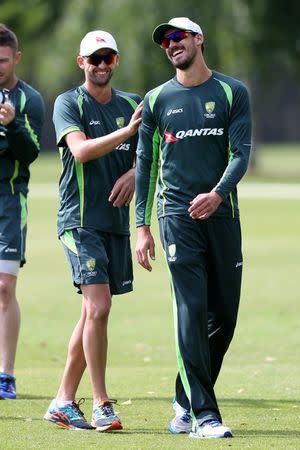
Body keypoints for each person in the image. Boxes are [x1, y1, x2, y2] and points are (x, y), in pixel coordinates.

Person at [135, 17, 252, 439]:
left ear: (199, 39)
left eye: (177, 37)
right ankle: (204, 415)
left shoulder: (231, 92)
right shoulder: (155, 99)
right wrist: (142, 226)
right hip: (176, 218)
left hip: (223, 215)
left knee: (224, 315)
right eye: (164, 41)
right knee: (191, 310)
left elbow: (241, 154)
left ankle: (184, 399)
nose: (170, 45)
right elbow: (145, 165)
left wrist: (218, 193)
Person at [43, 30, 142, 431]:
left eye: (107, 58)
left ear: (116, 60)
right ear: (80, 62)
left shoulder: (132, 104)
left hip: (114, 224)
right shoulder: (69, 102)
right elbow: (80, 150)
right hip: (79, 221)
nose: (101, 65)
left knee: (92, 313)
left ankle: (63, 400)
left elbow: (154, 153)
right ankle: (101, 402)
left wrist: (136, 170)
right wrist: (126, 133)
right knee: (98, 308)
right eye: (93, 59)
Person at [0, 24, 45, 400]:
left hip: (10, 200)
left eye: (2, 61)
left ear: (16, 58)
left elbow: (31, 153)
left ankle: (6, 375)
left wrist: (13, 124)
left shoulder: (30, 99)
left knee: (4, 286)